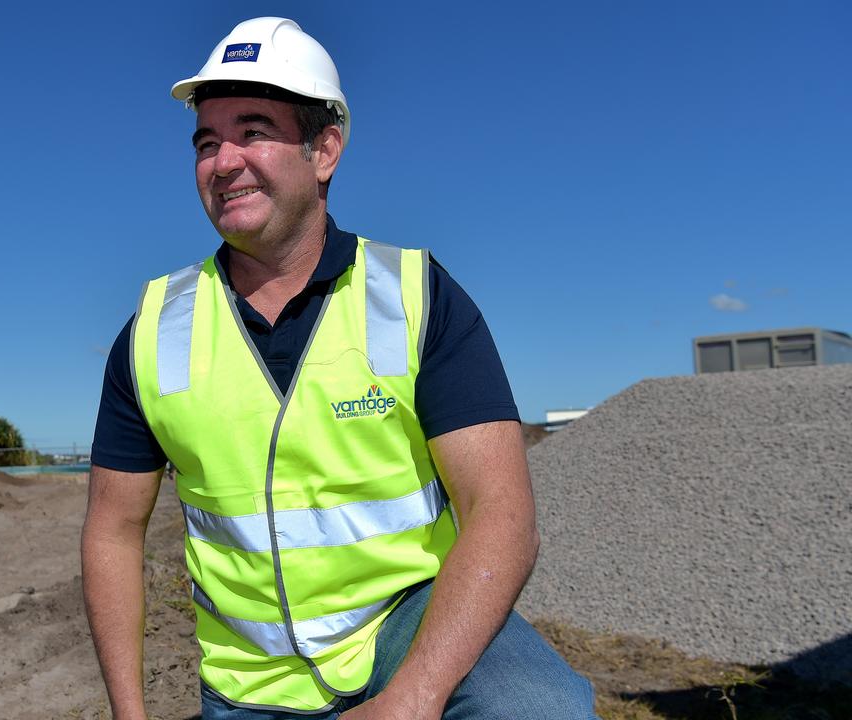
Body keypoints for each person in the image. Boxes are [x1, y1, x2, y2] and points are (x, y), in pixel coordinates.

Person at [81, 17, 598, 720]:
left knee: (541, 710)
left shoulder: (416, 297)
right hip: (248, 681)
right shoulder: (153, 331)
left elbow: (502, 511)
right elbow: (113, 530)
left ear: (324, 150)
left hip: (406, 629)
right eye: (206, 141)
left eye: (253, 130)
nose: (223, 161)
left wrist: (412, 699)